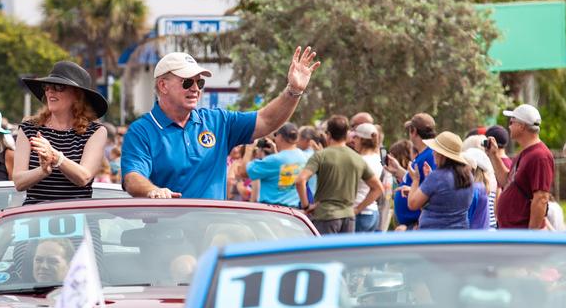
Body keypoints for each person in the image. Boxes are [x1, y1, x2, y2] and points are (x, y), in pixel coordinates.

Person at [122, 47, 320, 200]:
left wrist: (293, 90)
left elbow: (266, 120)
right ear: (163, 86)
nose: (195, 89)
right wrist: (154, 191)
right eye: (186, 82)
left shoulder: (217, 120)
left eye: (199, 83)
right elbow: (132, 177)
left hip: (212, 231)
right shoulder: (141, 131)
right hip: (168, 237)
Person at [14, 60, 109, 205]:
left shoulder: (95, 131)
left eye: (58, 86)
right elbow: (18, 182)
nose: (50, 91)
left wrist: (55, 157)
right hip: (35, 220)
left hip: (77, 219)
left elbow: (84, 177)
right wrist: (43, 171)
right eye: (47, 86)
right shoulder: (29, 128)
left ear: (77, 95)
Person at [296, 115, 382, 234]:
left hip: (326, 216)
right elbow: (377, 188)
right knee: (346, 253)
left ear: (328, 135)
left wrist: (306, 206)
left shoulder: (321, 156)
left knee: (324, 251)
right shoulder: (357, 158)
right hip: (349, 217)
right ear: (346, 135)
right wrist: (357, 209)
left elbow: (300, 180)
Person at [488, 104, 554, 230]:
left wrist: (530, 237)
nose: (509, 126)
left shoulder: (540, 156)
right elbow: (506, 181)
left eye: (512, 122)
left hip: (522, 233)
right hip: (513, 231)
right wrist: (494, 155)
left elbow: (541, 198)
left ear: (522, 126)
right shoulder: (525, 152)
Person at [406, 131, 475, 230]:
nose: (433, 153)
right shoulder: (468, 176)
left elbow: (412, 204)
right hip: (460, 235)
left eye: (435, 150)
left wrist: (415, 180)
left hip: (435, 238)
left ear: (442, 155)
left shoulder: (437, 177)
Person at [384, 114, 437, 230]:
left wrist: (416, 225)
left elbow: (433, 190)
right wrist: (398, 171)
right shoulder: (424, 154)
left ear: (413, 131)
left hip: (417, 225)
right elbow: (416, 179)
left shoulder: (431, 155)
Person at [349, 123, 387, 230]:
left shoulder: (361, 161)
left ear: (362, 139)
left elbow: (377, 188)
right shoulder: (377, 158)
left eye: (355, 137)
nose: (353, 141)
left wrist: (357, 209)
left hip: (360, 213)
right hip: (373, 213)